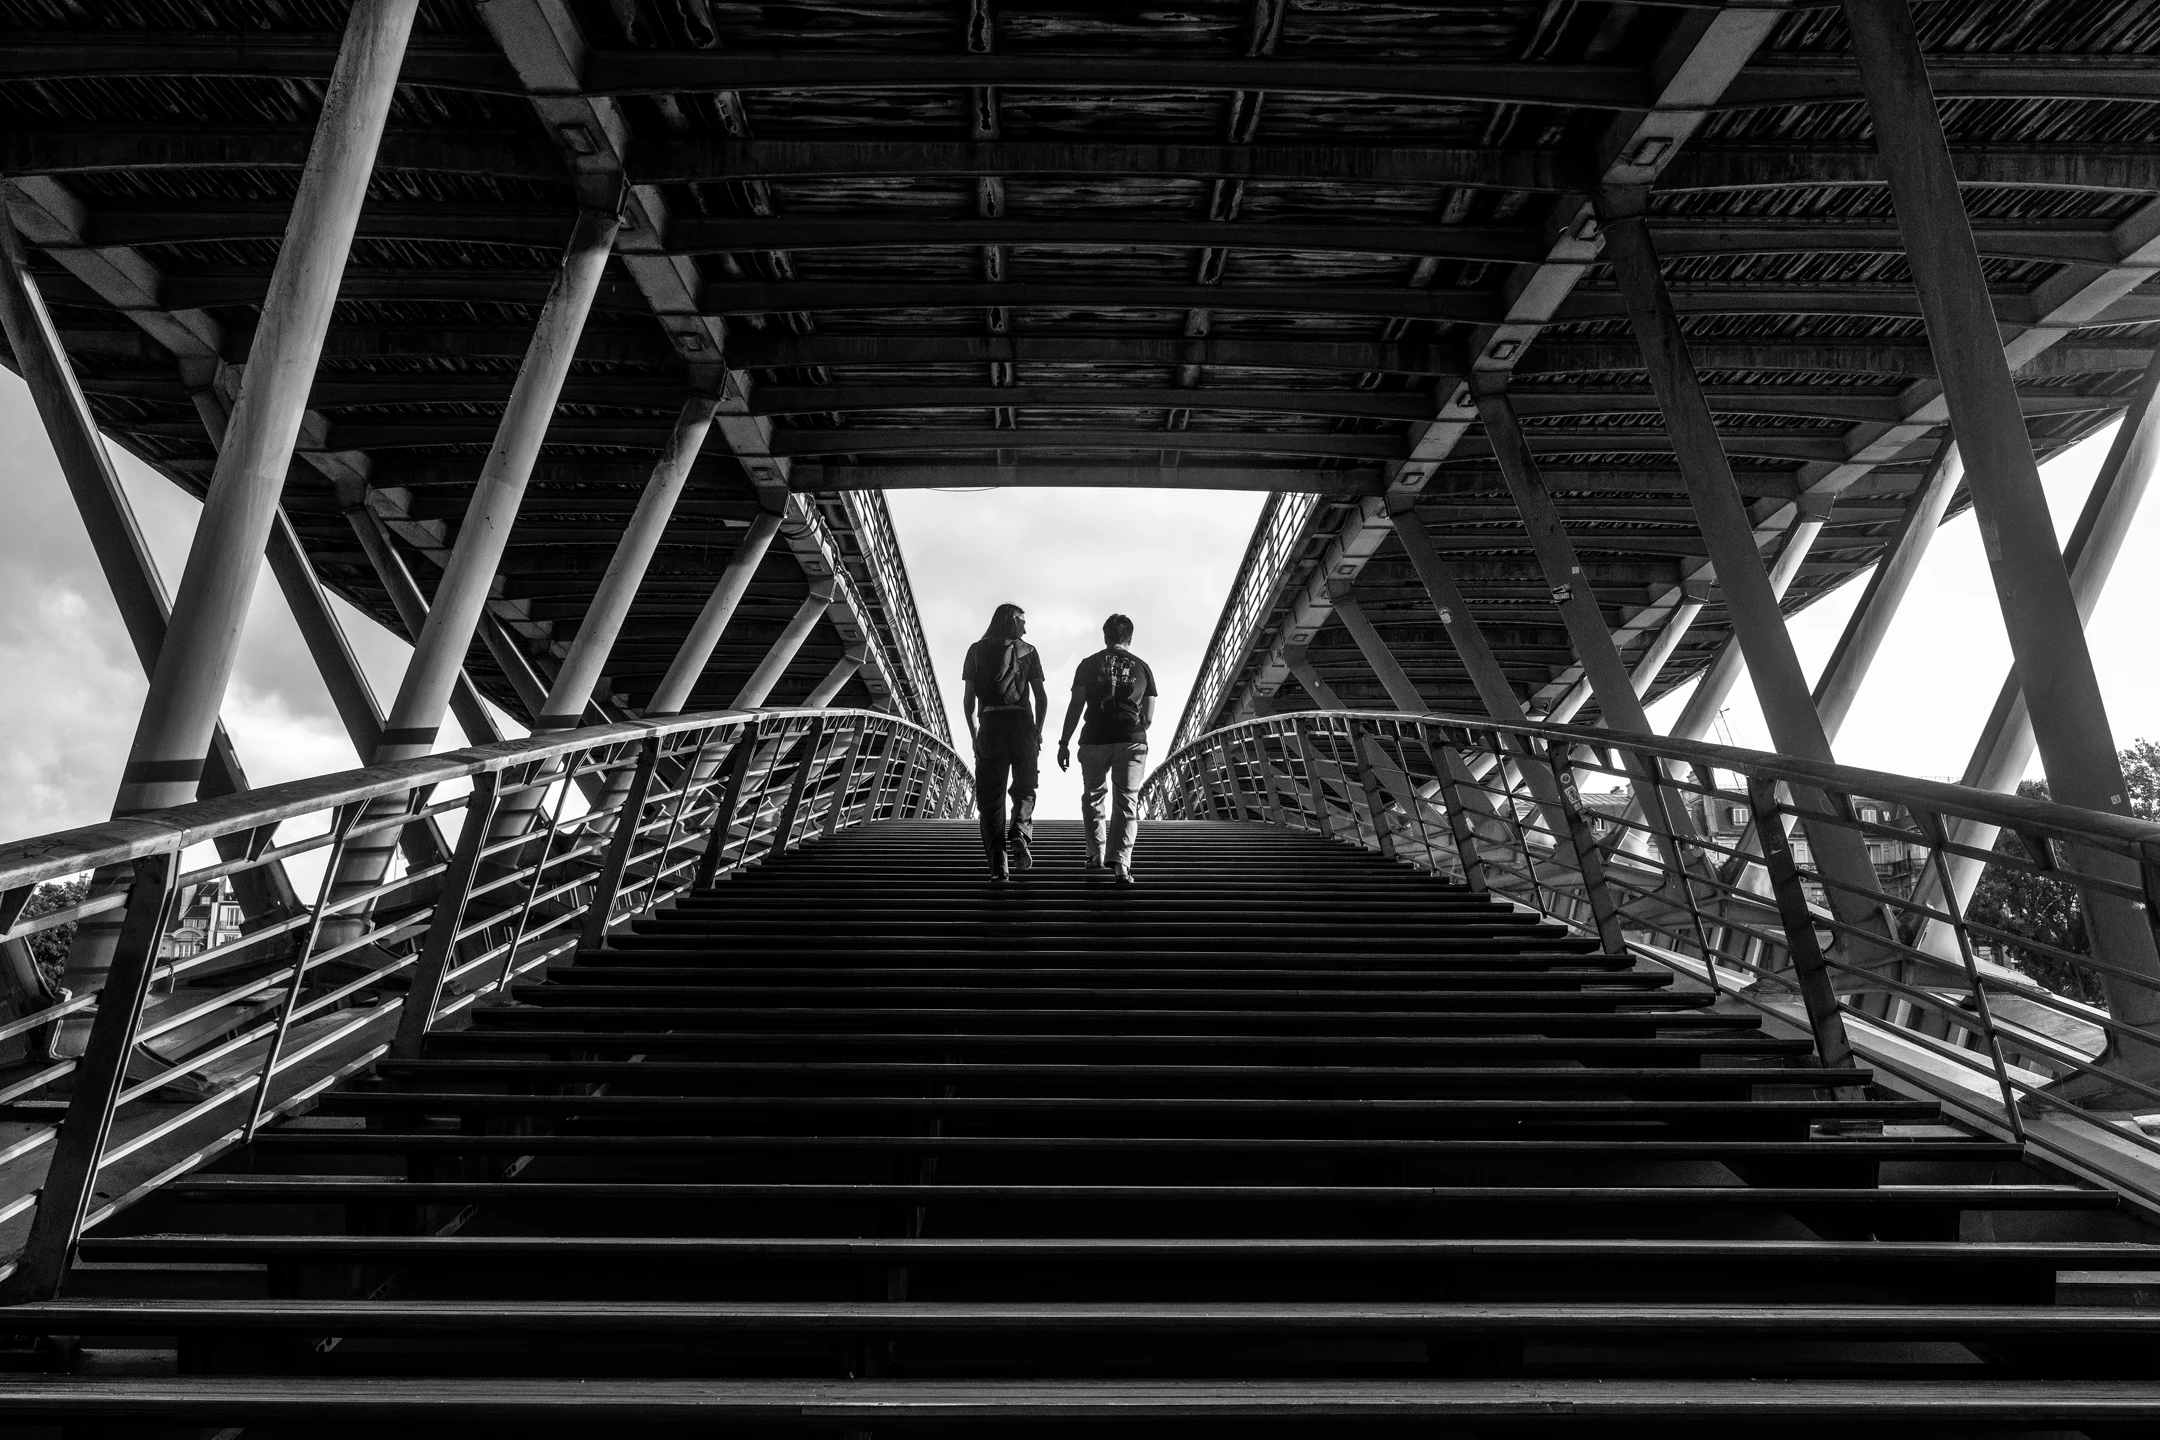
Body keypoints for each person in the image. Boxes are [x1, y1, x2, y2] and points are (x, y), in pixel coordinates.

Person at [1057, 613, 1158, 885]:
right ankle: (1121, 867)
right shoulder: (1143, 667)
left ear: (1105, 636)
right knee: (1127, 800)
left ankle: (1095, 855)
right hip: (1131, 739)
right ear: (1130, 637)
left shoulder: (1088, 664)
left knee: (1093, 796)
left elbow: (1076, 706)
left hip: (1093, 738)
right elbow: (1148, 716)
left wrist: (1064, 742)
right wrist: (1131, 733)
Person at [961, 602, 1047, 881]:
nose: (1025, 626)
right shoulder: (1029, 651)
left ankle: (999, 866)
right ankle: (1020, 832)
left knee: (991, 799)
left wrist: (975, 736)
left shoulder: (976, 650)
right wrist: (1038, 730)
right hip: (1022, 725)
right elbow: (1041, 697)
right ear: (1011, 620)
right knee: (1025, 785)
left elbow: (968, 701)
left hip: (991, 725)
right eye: (1022, 621)